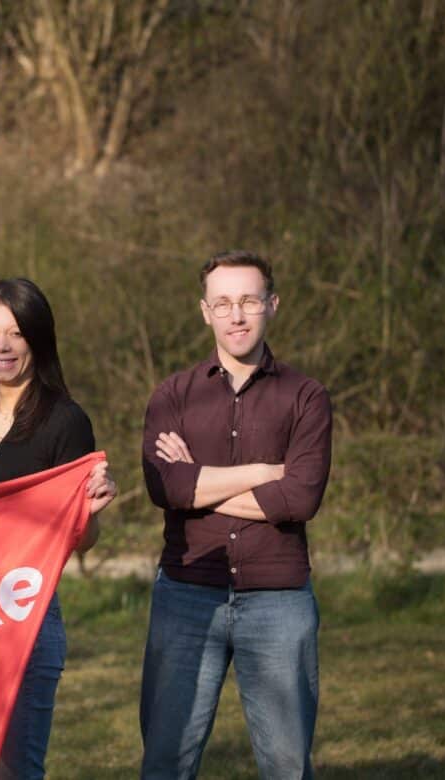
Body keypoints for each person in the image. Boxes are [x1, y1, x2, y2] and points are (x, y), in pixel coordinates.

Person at [139, 250, 333, 779]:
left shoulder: (306, 396)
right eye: (223, 303)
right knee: (165, 762)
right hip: (186, 595)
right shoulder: (172, 396)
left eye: (248, 300)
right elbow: (165, 486)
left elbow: (300, 499)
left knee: (288, 766)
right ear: (205, 311)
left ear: (272, 304)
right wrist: (266, 472)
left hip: (279, 599)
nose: (237, 315)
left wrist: (198, 485)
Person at [0, 278, 116, 780]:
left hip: (25, 619)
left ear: (37, 339)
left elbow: (82, 539)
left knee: (14, 772)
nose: (1, 345)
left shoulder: (64, 421)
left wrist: (87, 512)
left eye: (15, 333)